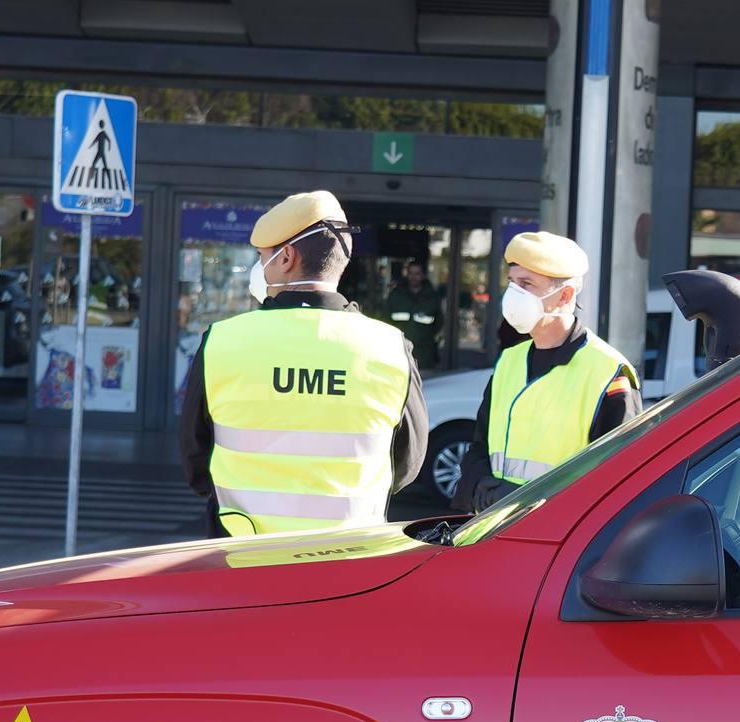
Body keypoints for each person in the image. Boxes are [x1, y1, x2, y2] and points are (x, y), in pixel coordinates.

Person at [179, 190, 428, 538]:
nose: (257, 266)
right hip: (352, 563)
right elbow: (407, 464)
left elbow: (195, 459)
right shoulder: (391, 347)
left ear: (286, 258)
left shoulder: (222, 341)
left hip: (241, 559)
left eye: (260, 255)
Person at [451, 231, 641, 513]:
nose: (514, 294)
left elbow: (621, 477)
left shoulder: (608, 371)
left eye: (526, 284)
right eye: (512, 282)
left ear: (564, 295)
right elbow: (480, 444)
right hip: (494, 529)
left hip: (558, 540)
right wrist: (482, 489)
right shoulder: (509, 361)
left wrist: (530, 504)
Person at [384, 260, 442, 370]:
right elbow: (385, 320)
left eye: (417, 274)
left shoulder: (432, 298)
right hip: (398, 353)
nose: (413, 277)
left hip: (424, 356)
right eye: (411, 273)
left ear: (423, 275)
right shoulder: (396, 296)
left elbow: (439, 322)